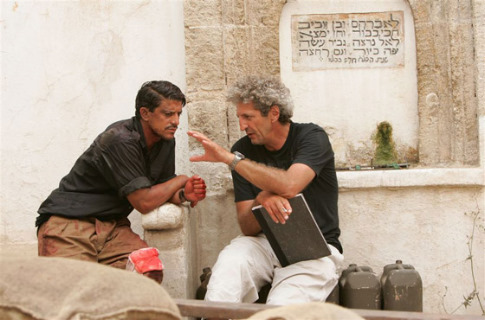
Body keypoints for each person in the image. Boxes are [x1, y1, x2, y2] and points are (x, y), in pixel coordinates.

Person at [188, 76, 343, 305]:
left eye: (248, 117)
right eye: (240, 117)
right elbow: (247, 227)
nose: (242, 126)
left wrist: (230, 160)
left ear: (274, 113)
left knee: (280, 309)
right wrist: (261, 197)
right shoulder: (242, 149)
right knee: (228, 271)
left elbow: (290, 185)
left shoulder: (311, 137)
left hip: (315, 248)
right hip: (263, 242)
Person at [36, 80, 206, 280]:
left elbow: (161, 190)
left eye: (178, 114)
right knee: (77, 292)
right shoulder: (120, 139)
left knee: (149, 270)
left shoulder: (166, 140)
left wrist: (184, 194)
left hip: (113, 227)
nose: (176, 121)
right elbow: (144, 202)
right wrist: (181, 179)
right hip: (69, 225)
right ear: (145, 113)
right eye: (168, 114)